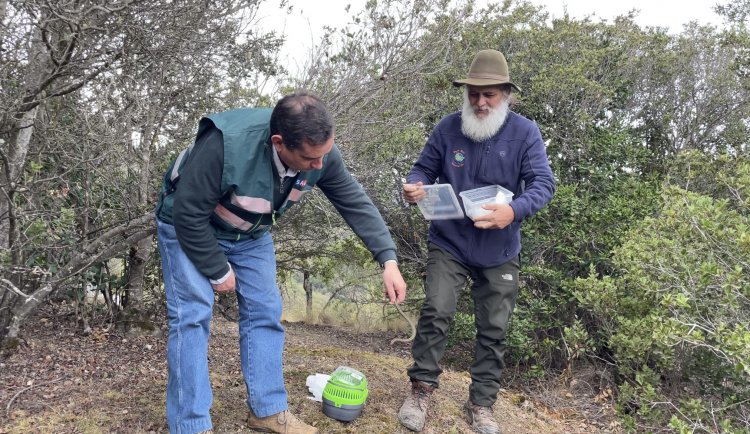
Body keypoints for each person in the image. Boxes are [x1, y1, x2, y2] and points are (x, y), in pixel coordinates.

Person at [155, 91, 407, 434]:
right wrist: (217, 268)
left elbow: (353, 201)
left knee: (265, 311)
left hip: (250, 233)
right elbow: (187, 214)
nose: (319, 166)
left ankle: (268, 410)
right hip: (190, 226)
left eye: (324, 155)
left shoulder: (321, 155)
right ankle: (191, 425)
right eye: (309, 158)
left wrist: (388, 260)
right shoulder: (225, 146)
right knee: (193, 316)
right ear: (279, 142)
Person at [398, 49, 555, 434]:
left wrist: (513, 211)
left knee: (495, 328)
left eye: (490, 95)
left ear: (506, 94)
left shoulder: (525, 133)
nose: (481, 103)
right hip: (449, 240)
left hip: (500, 247)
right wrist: (416, 185)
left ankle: (481, 403)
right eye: (474, 94)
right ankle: (420, 390)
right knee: (436, 309)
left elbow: (543, 184)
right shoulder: (448, 128)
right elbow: (424, 167)